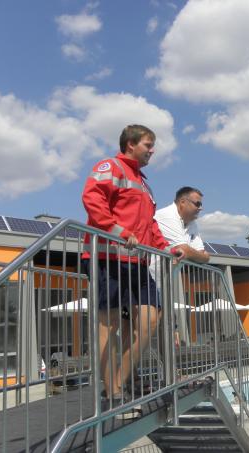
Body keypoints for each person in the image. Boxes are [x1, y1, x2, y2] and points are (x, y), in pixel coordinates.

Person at [81, 124, 186, 405]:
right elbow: (92, 198)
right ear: (131, 144)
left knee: (152, 318)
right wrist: (117, 231)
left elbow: (149, 225)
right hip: (108, 258)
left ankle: (116, 382)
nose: (152, 151)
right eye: (148, 145)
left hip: (136, 262)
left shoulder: (144, 183)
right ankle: (114, 393)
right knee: (109, 324)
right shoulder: (110, 166)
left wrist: (166, 248)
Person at [154, 186, 210, 263]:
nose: (201, 208)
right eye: (197, 204)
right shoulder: (167, 215)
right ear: (182, 202)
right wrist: (202, 256)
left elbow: (203, 255)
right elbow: (184, 249)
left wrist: (202, 256)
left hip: (168, 274)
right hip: (149, 273)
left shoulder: (192, 222)